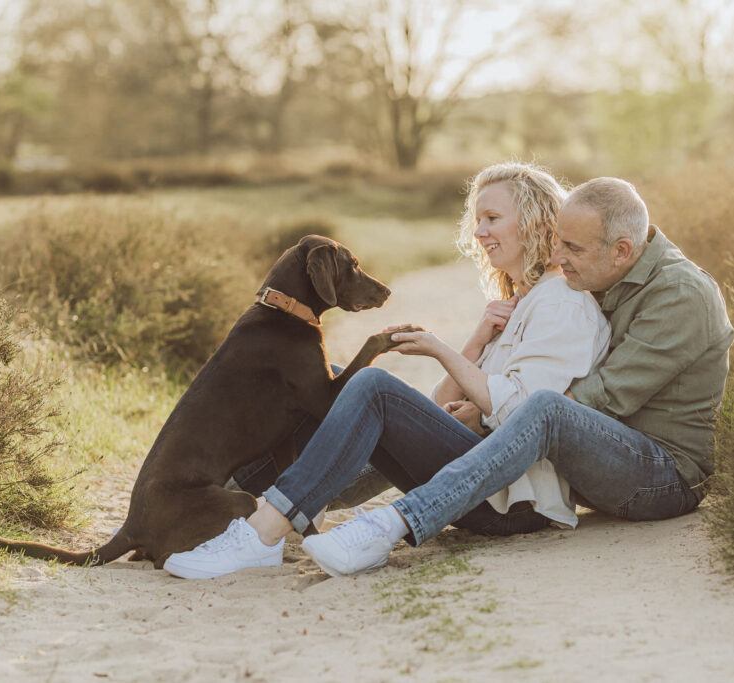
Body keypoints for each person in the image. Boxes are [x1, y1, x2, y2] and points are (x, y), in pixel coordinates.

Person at [163, 162, 611, 579]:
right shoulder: (519, 302)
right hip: (475, 478)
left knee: (372, 386)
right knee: (326, 380)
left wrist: (439, 349)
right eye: (477, 220)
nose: (478, 232)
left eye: (492, 219)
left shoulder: (562, 302)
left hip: (513, 500)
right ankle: (209, 501)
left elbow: (525, 416)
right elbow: (437, 405)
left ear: (533, 220)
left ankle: (262, 532)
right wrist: (475, 341)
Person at [301, 177, 734, 576]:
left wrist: (490, 414)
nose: (558, 258)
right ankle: (275, 501)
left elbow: (599, 400)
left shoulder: (680, 295)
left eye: (571, 249)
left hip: (663, 476)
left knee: (544, 408)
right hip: (604, 457)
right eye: (558, 243)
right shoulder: (608, 271)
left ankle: (392, 524)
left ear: (621, 250)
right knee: (387, 401)